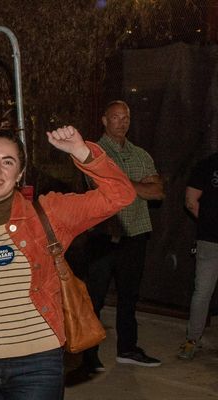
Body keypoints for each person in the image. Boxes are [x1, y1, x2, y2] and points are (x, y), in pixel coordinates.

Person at [0, 127, 134, 399]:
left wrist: (81, 151)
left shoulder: (49, 213)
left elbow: (120, 195)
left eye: (8, 162)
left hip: (38, 363)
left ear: (19, 174)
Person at [84, 100, 166, 370]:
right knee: (94, 298)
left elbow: (158, 192)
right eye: (116, 117)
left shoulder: (140, 154)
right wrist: (137, 185)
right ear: (105, 121)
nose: (122, 122)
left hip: (136, 234)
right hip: (103, 236)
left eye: (126, 117)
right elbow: (102, 187)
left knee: (129, 297)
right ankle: (88, 354)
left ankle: (127, 348)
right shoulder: (93, 152)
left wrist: (121, 184)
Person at [180, 151, 218, 360]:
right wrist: (209, 224)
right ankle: (192, 340)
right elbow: (191, 200)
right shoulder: (207, 164)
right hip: (210, 242)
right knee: (202, 292)